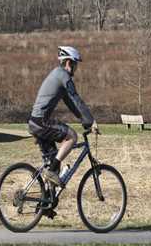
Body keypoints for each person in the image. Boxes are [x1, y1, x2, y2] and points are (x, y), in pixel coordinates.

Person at [28, 46, 98, 187]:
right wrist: (91, 121)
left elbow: (70, 103)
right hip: (41, 122)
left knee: (54, 162)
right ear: (69, 63)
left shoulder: (57, 75)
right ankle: (51, 171)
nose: (76, 68)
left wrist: (83, 120)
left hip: (35, 122)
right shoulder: (63, 76)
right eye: (75, 64)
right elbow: (76, 98)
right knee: (72, 136)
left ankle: (46, 206)